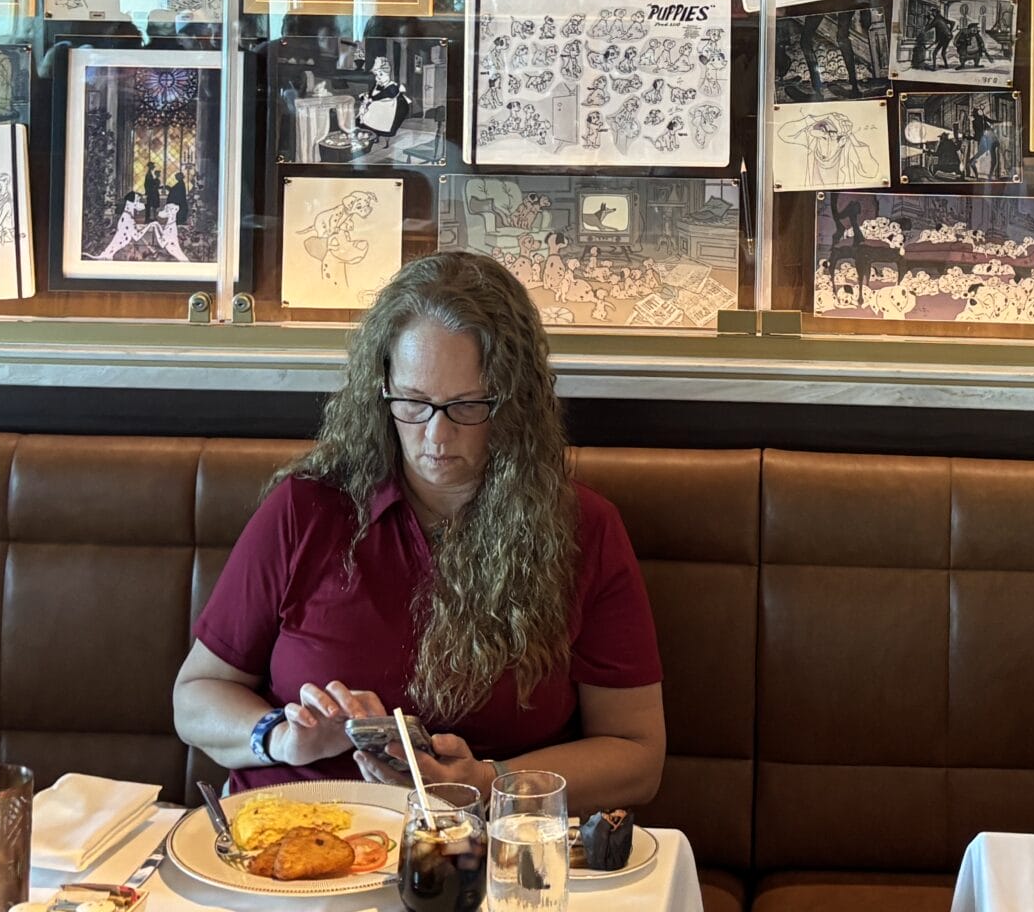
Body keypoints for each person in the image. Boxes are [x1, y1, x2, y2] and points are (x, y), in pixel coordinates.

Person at [172, 253, 665, 811]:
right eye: (412, 402)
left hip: (474, 838)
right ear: (381, 391)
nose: (436, 436)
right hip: (292, 831)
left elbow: (637, 755)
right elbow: (195, 696)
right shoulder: (307, 508)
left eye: (467, 406)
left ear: (515, 403)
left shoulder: (583, 529)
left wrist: (488, 783)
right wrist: (279, 737)